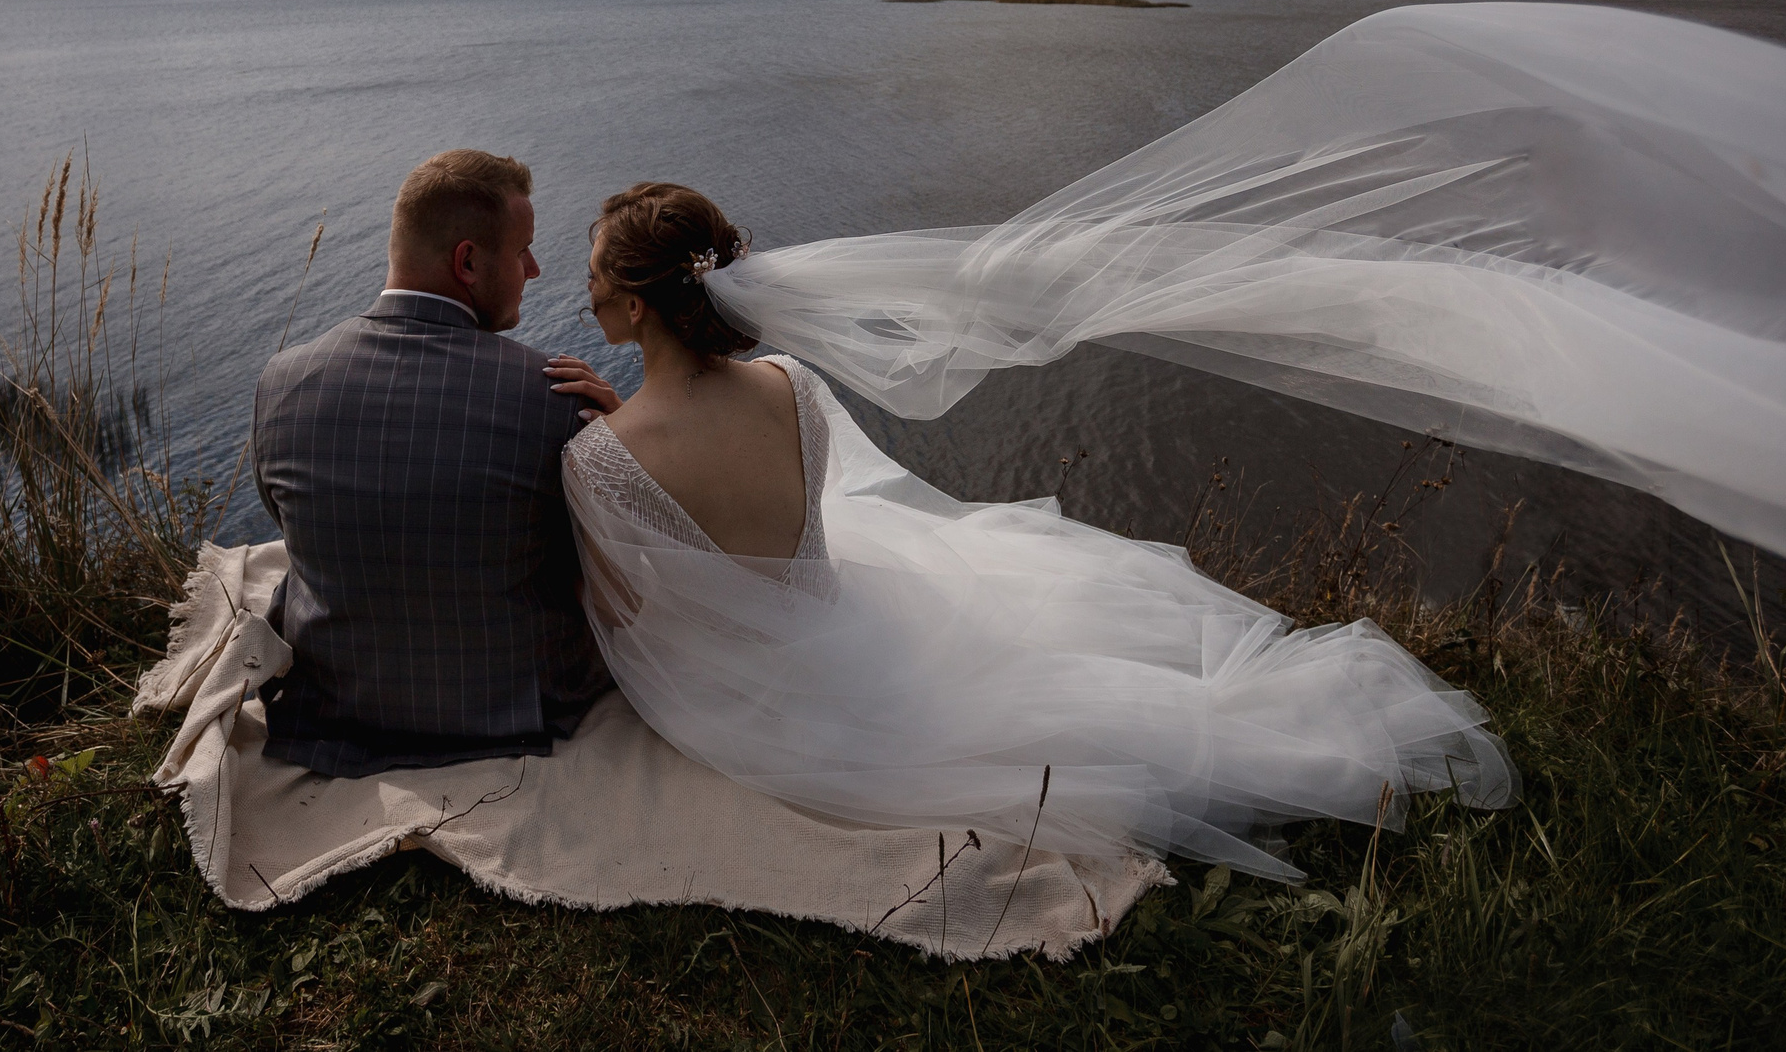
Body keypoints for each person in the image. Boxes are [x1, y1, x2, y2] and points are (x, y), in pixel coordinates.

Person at [553, 180, 1515, 880]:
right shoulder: (789, 384)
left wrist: (619, 438)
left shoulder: (600, 457)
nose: (585, 288)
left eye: (596, 276)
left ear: (635, 306)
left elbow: (632, 614)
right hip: (843, 621)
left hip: (745, 701)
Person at [249, 149, 621, 775]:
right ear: (468, 261)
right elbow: (597, 562)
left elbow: (288, 530)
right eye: (521, 250)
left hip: (336, 710)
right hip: (515, 709)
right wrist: (621, 435)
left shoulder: (281, 381)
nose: (534, 268)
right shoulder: (551, 394)